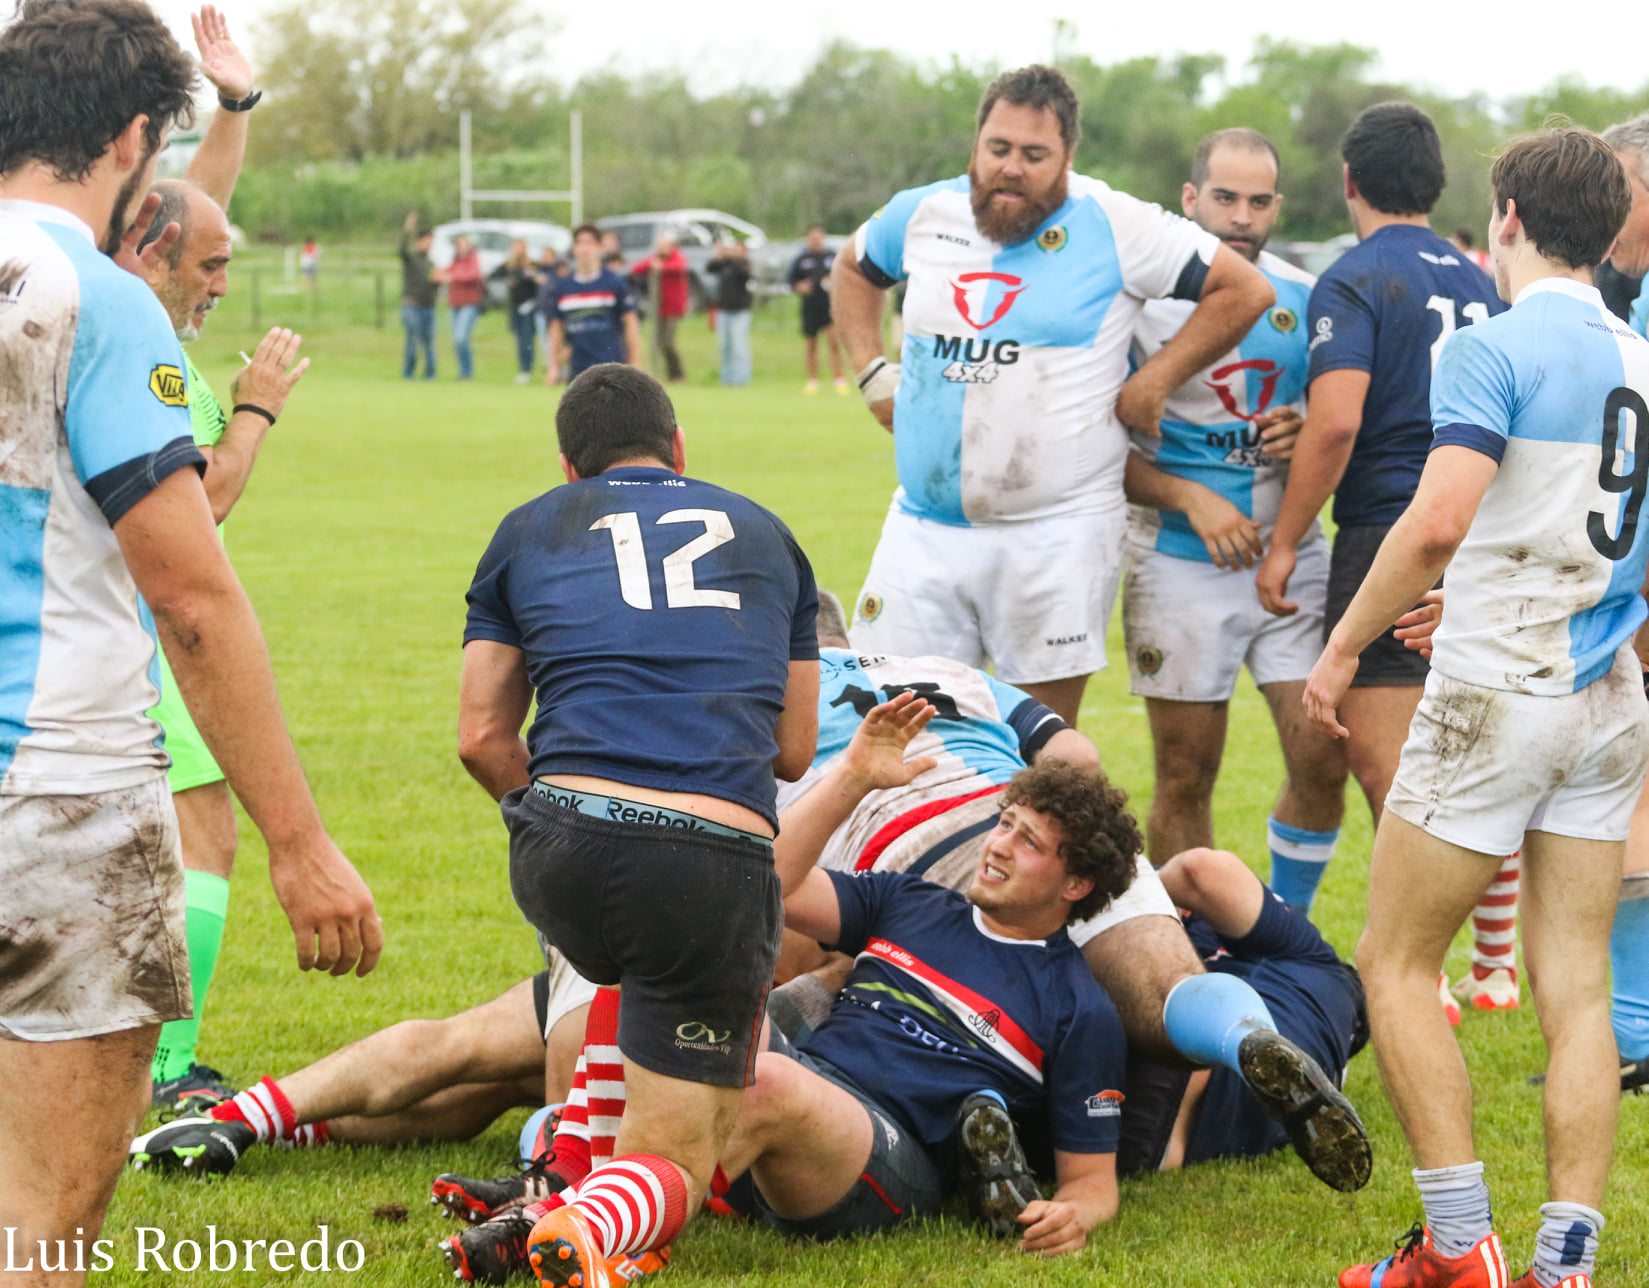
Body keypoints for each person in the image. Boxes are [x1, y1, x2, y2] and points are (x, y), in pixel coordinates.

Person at [0, 3, 380, 1281]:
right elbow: (195, 598)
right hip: (54, 795)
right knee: (41, 1220)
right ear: (127, 138)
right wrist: (302, 842)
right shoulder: (96, 300)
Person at [1300, 127, 1646, 1288]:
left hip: (1501, 694)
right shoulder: (1636, 350)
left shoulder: (1493, 346)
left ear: (1502, 215)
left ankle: (1458, 1250)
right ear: (1607, 231)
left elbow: (1438, 515)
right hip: (1607, 692)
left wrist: (1343, 644)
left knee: (1394, 962)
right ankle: (1564, 1262)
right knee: (1577, 989)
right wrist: (1491, 590)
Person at [457, 364, 820, 1288]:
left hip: (562, 842)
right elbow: (791, 750)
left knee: (633, 966)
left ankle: (551, 1192)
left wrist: (552, 825)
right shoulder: (770, 535)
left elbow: (480, 736)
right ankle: (583, 1226)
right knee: (678, 1167)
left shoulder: (528, 525)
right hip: (708, 860)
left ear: (568, 467)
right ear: (679, 448)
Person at [834, 64, 1274, 727]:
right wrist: (872, 374)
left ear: (1067, 157)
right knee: (887, 738)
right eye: (998, 149)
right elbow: (853, 268)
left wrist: (1152, 380)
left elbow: (1243, 289)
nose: (1011, 169)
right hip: (922, 528)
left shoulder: (1116, 222)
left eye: (1033, 155)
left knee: (1032, 752)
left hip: (1057, 533)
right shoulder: (922, 213)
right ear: (975, 145)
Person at [1252, 103, 1512, 1009]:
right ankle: (1485, 960)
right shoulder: (1479, 280)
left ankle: (1417, 964)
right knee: (1460, 745)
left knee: (1384, 759)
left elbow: (1335, 424)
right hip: (1478, 523)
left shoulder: (1352, 276)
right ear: (1434, 185)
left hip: (1389, 527)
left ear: (1349, 182)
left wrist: (1285, 540)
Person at [131, 5, 313, 1110]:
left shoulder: (110, 288)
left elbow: (195, 215)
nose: (221, 282)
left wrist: (233, 104)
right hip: (146, 625)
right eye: (211, 268)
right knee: (205, 834)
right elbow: (205, 507)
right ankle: (163, 1066)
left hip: (93, 619)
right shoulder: (144, 340)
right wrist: (254, 410)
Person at [1120, 128, 1348, 906]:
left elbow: (1344, 414)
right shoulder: (1139, 301)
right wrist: (1190, 496)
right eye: (1224, 198)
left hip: (1290, 558)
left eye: (1258, 201)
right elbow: (1088, 451)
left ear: (1277, 205)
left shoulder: (1304, 295)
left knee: (1321, 757)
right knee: (1185, 774)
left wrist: (1309, 422)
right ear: (1189, 200)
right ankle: (1193, 945)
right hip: (1176, 562)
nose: (1240, 216)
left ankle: (1289, 929)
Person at [1121, 847, 1367, 1177]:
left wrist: (1128, 898)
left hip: (1163, 1061)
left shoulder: (1312, 962)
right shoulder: (1313, 977)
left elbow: (1202, 869)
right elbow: (1199, 873)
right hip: (1175, 1126)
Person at [540, 224, 640, 386]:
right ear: (574, 248)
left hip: (611, 369)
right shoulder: (563, 288)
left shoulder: (615, 283)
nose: (584, 249)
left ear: (599, 247)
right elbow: (556, 327)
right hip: (578, 371)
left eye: (589, 243)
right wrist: (554, 366)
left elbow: (631, 323)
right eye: (580, 243)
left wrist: (635, 364)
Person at [788, 224, 845, 394]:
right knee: (811, 345)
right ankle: (812, 381)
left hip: (829, 306)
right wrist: (800, 287)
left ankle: (839, 379)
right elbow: (791, 282)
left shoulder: (832, 256)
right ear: (808, 238)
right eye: (813, 237)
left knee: (834, 342)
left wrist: (833, 284)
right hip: (809, 306)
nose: (816, 240)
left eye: (818, 237)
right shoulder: (801, 259)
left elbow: (842, 277)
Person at [628, 234, 689, 382]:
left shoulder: (677, 259)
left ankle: (678, 375)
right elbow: (636, 268)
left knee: (668, 342)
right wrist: (652, 265)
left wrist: (660, 267)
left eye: (663, 247)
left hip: (673, 308)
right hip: (659, 308)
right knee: (659, 342)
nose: (660, 250)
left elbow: (678, 268)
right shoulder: (656, 259)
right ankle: (667, 374)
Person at [437, 232, 484, 380]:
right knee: (457, 339)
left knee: (461, 337)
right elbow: (445, 273)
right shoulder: (455, 260)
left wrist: (453, 277)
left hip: (469, 304)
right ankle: (463, 371)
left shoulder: (473, 258)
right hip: (455, 304)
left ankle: (467, 370)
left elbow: (473, 275)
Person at [707, 239, 754, 386]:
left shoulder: (744, 264)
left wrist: (731, 255)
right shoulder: (724, 264)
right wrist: (719, 254)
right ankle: (726, 378)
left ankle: (741, 379)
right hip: (723, 311)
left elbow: (743, 274)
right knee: (725, 346)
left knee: (739, 346)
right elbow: (710, 268)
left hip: (740, 312)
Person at [496, 239, 542, 383]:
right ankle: (522, 369)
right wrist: (508, 281)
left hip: (528, 307)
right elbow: (494, 275)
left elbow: (537, 282)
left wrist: (527, 277)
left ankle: (527, 369)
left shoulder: (531, 265)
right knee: (519, 339)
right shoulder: (508, 266)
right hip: (514, 307)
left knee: (527, 339)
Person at [400, 210, 438, 378]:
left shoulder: (430, 262)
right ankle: (409, 372)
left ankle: (430, 373)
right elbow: (401, 248)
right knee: (413, 340)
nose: (429, 244)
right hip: (412, 306)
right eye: (426, 240)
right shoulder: (412, 258)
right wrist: (408, 227)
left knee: (429, 341)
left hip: (428, 306)